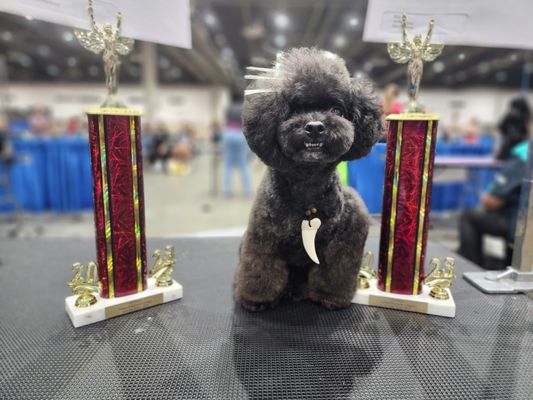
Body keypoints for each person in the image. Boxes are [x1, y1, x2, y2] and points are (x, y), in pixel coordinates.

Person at [458, 140, 529, 268]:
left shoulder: (524, 154)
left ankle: (470, 268)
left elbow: (494, 201)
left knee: (469, 216)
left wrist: (485, 198)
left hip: (522, 225)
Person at [221, 102, 251, 197]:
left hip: (228, 133)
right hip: (240, 134)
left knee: (227, 166)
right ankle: (247, 192)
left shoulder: (229, 108)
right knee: (244, 165)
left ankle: (227, 191)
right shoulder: (243, 108)